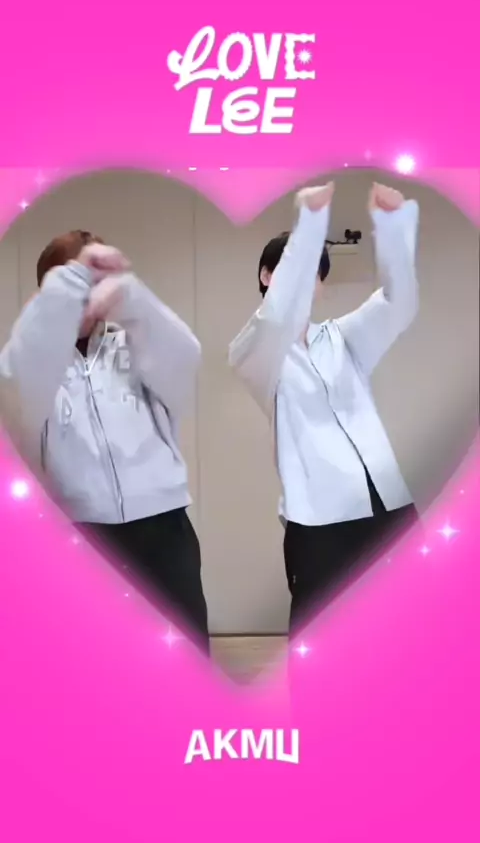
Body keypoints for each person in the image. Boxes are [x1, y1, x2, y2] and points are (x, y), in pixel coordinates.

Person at [0, 230, 209, 652]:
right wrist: (61, 294)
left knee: (184, 654)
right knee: (97, 658)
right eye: (72, 283)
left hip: (164, 528)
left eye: (93, 283)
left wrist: (134, 299)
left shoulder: (131, 345)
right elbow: (18, 387)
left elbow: (185, 355)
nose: (85, 297)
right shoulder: (33, 360)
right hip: (82, 536)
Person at [229, 183, 420, 635]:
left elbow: (398, 303)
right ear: (266, 276)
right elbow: (275, 317)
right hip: (319, 523)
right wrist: (310, 224)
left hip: (389, 506)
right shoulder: (255, 353)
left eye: (314, 273)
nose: (304, 281)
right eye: (293, 269)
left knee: (414, 631)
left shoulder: (342, 338)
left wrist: (394, 229)